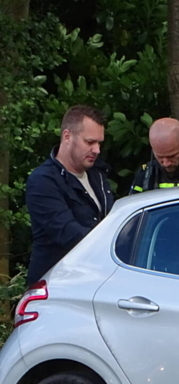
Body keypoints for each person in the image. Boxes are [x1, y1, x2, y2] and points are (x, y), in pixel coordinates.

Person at [25, 105, 116, 284]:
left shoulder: (97, 174)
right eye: (90, 142)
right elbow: (69, 234)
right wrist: (115, 247)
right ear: (67, 136)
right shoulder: (43, 181)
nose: (97, 150)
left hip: (94, 281)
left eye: (99, 143)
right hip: (56, 287)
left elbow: (111, 220)